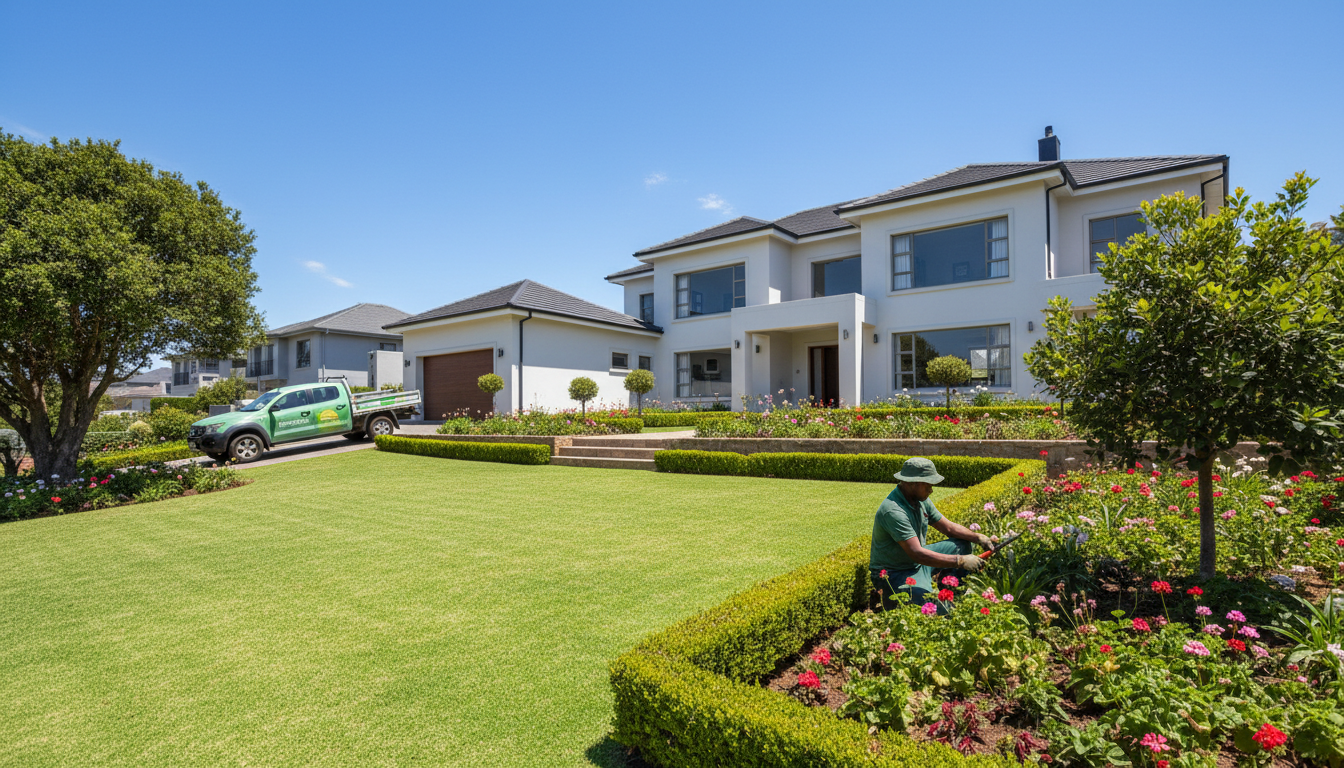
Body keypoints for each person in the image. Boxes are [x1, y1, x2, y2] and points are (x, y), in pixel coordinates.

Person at [870, 457, 992, 610]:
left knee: (961, 545)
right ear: (912, 484)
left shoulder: (919, 500)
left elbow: (948, 528)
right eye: (928, 485)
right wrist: (960, 561)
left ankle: (951, 592)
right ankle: (893, 598)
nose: (931, 489)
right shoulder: (893, 511)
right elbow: (916, 553)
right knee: (933, 607)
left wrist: (978, 537)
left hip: (917, 562)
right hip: (894, 572)